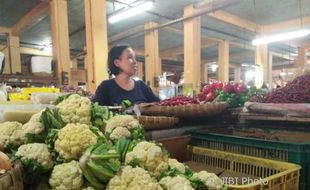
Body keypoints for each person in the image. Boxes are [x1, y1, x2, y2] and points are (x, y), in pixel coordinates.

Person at [92, 45, 160, 106]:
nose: (135, 62)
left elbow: (159, 104)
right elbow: (97, 110)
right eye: (130, 57)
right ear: (117, 63)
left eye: (134, 58)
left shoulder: (141, 86)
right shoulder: (106, 87)